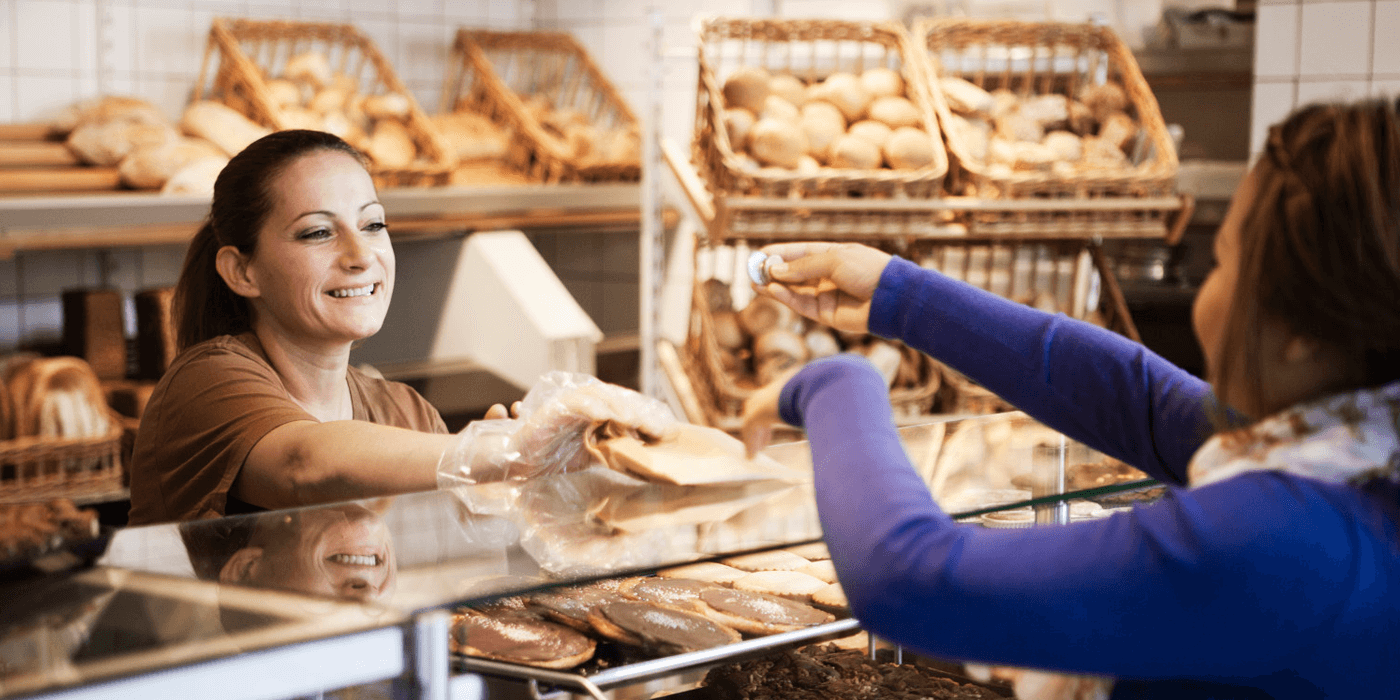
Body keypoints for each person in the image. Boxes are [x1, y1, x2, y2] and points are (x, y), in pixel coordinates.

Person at [740, 99, 1400, 697]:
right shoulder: (1363, 455)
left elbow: (909, 579)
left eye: (1224, 262)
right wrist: (897, 294)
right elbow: (1140, 400)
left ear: (1303, 336)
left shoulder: (1294, 542)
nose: (1211, 291)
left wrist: (837, 382)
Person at [128, 130, 518, 525]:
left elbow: (439, 573)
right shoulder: (205, 382)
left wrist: (485, 503)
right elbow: (304, 466)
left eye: (372, 224)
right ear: (242, 271)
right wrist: (500, 450)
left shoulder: (406, 413)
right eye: (318, 232)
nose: (361, 255)